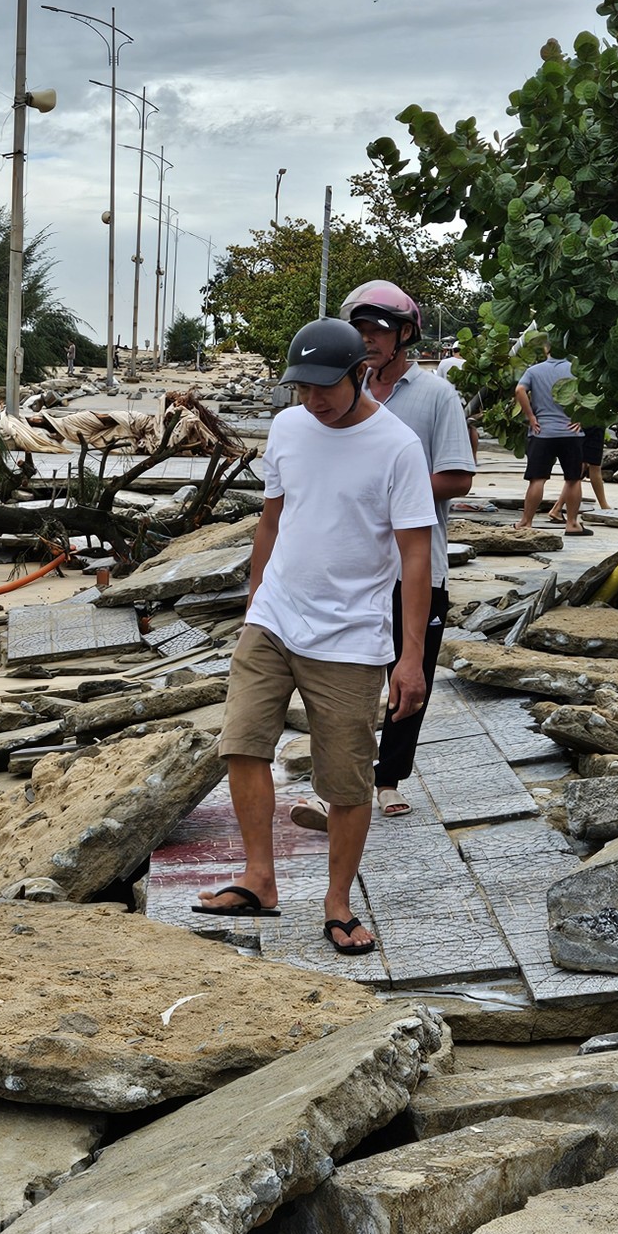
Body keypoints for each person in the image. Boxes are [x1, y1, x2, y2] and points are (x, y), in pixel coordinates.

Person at [192, 318, 436, 955]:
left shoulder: (398, 447)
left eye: (326, 386)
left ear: (362, 374)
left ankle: (337, 902)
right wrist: (254, 598)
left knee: (347, 780)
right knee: (242, 743)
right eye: (302, 386)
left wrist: (410, 659)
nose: (313, 399)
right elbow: (273, 518)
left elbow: (416, 557)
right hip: (274, 615)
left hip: (352, 637)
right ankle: (259, 879)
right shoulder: (288, 427)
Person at [286, 281, 475, 825]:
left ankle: (388, 776)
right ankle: (337, 783)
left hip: (414, 561)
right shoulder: (336, 389)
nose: (367, 340)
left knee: (408, 672)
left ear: (405, 336)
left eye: (378, 331)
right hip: (346, 564)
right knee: (340, 673)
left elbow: (459, 477)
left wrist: (393, 489)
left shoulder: (436, 395)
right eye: (359, 330)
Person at [514, 338, 589, 535]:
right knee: (573, 479)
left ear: (546, 349)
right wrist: (580, 417)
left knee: (537, 479)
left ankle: (525, 523)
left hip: (542, 432)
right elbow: (590, 394)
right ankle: (572, 524)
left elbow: (519, 390)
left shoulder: (534, 371)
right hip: (571, 432)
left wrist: (531, 417)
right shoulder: (575, 370)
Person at [549, 417, 610, 520]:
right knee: (589, 468)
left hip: (582, 423)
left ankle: (557, 508)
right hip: (591, 422)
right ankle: (557, 508)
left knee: (582, 467)